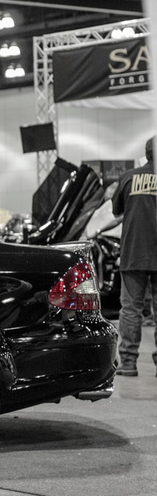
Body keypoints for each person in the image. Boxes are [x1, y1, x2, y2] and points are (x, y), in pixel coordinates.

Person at [112, 137, 157, 377]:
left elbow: (116, 209)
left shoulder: (129, 177)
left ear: (146, 153)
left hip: (134, 252)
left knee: (130, 309)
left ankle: (128, 362)